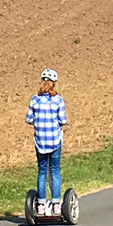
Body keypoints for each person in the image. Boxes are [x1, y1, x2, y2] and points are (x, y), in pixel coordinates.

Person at [26, 68, 69, 216]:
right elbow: (63, 120)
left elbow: (28, 119)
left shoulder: (34, 100)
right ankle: (56, 204)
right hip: (54, 141)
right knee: (55, 171)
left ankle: (41, 205)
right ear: (54, 84)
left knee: (42, 172)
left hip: (40, 142)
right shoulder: (58, 100)